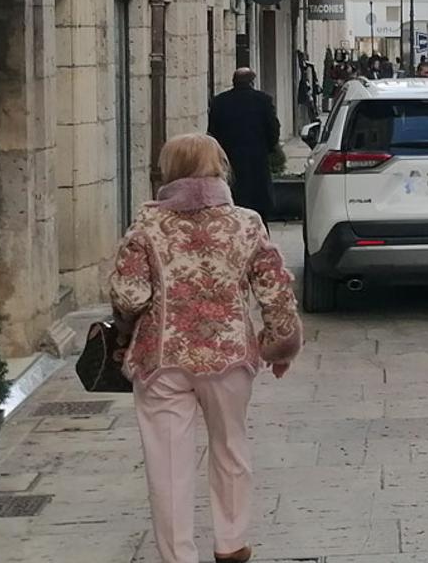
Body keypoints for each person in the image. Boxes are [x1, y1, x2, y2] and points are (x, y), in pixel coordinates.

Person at [110, 134, 302, 563]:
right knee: (231, 446)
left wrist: (130, 321)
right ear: (219, 168)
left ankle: (178, 556)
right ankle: (231, 544)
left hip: (162, 358)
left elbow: (129, 295)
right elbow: (275, 291)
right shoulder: (247, 222)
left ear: (168, 171)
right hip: (229, 355)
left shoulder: (146, 224)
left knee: (168, 462)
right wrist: (280, 345)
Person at [207, 69, 279, 222]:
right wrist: (269, 149)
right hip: (256, 160)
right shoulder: (263, 100)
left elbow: (213, 132)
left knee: (233, 202)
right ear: (252, 82)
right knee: (258, 205)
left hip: (229, 159)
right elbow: (273, 129)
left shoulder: (219, 102)